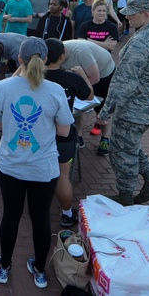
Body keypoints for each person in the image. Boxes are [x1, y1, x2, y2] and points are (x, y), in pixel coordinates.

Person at [0, 37, 74, 289]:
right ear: (47, 59)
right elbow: (64, 132)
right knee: (40, 219)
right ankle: (39, 269)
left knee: (11, 216)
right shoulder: (55, 91)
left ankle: (4, 265)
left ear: (19, 59)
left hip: (10, 165)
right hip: (43, 168)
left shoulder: (3, 88)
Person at [95, 0, 149, 206]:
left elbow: (124, 81)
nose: (127, 18)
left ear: (145, 14)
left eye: (131, 15)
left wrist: (105, 111)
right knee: (129, 145)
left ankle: (125, 196)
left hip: (134, 107)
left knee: (121, 153)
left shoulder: (142, 41)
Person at [43, 38, 92, 228]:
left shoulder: (32, 77)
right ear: (63, 56)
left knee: (37, 173)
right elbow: (88, 95)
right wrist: (83, 75)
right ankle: (65, 213)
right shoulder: (72, 78)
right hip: (63, 136)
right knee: (62, 176)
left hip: (38, 135)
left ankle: (37, 208)